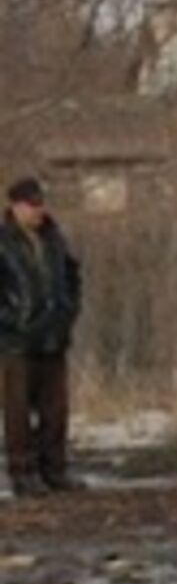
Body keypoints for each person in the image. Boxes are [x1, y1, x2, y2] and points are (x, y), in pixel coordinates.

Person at [0, 178, 83, 497]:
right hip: (16, 341)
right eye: (32, 204)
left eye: (41, 203)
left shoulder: (54, 239)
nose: (39, 210)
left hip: (54, 335)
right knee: (17, 410)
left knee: (55, 408)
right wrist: (12, 320)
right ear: (15, 206)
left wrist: (68, 310)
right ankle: (22, 473)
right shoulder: (4, 242)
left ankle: (55, 469)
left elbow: (73, 275)